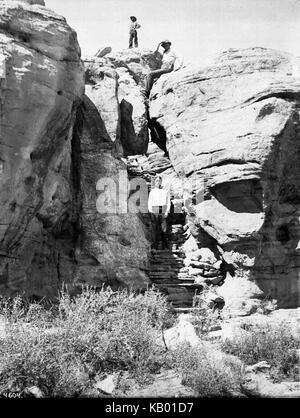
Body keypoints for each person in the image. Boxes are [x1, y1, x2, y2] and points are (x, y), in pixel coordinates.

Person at [148, 175, 171, 249]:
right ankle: (154, 247)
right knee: (154, 229)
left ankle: (165, 246)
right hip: (154, 210)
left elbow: (168, 202)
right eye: (157, 181)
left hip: (163, 210)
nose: (158, 182)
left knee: (163, 228)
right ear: (155, 182)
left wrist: (167, 211)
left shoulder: (165, 191)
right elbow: (149, 202)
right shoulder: (152, 192)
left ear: (161, 182)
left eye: (159, 181)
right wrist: (151, 211)